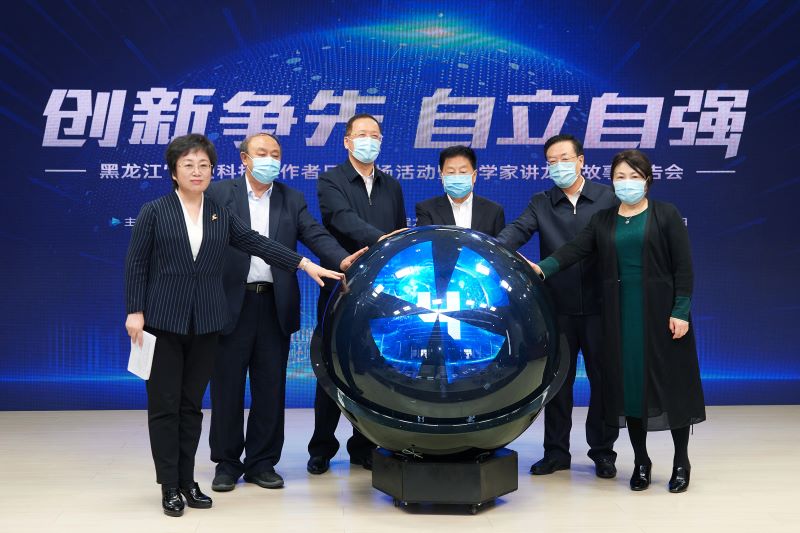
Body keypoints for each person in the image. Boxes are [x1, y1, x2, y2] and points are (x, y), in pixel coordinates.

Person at [124, 134, 343, 517]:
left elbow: (257, 243)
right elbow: (137, 263)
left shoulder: (217, 213)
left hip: (208, 322)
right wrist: (135, 311)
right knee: (165, 407)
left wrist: (305, 264)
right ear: (174, 171)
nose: (197, 171)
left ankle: (188, 481)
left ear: (212, 169)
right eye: (188, 165)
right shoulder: (155, 211)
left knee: (191, 407)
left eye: (203, 165)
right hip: (163, 321)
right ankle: (170, 485)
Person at [530, 149, 705, 493]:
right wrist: (541, 268)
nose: (627, 183)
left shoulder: (666, 214)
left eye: (634, 177)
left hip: (663, 317)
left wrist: (680, 310)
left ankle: (681, 462)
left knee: (672, 388)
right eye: (620, 177)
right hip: (620, 318)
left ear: (647, 180)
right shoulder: (604, 219)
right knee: (631, 390)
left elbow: (683, 267)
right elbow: (574, 250)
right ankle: (641, 462)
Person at [205, 133, 366, 492]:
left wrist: (341, 259)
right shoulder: (219, 194)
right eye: (262, 153)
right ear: (245, 159)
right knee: (227, 389)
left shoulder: (291, 199)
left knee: (270, 388)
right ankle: (227, 463)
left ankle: (262, 462)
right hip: (230, 303)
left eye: (275, 154)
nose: (270, 159)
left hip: (273, 305)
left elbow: (315, 234)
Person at [497, 134, 620, 479]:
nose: (558, 166)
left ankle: (603, 452)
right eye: (551, 161)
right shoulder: (542, 202)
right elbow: (517, 231)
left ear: (581, 161)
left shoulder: (608, 198)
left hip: (600, 307)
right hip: (558, 308)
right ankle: (556, 452)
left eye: (565, 158)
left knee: (603, 383)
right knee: (557, 384)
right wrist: (491, 246)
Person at [307, 113, 407, 475]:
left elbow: (399, 230)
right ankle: (321, 447)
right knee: (330, 366)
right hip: (342, 286)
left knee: (371, 367)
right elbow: (340, 218)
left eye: (375, 135)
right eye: (362, 134)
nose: (369, 140)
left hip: (381, 292)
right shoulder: (330, 180)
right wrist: (380, 241)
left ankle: (364, 446)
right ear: (347, 141)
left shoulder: (391, 185)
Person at [415, 145, 505, 236]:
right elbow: (424, 241)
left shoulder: (494, 211)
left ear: (474, 176)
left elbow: (499, 244)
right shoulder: (427, 209)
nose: (457, 177)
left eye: (463, 172)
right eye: (451, 172)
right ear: (442, 176)